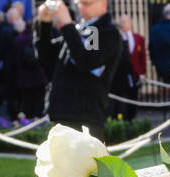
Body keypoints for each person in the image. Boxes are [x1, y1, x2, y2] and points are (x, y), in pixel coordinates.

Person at [44, 0, 122, 138]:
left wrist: (67, 24)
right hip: (61, 114)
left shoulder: (104, 31)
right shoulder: (81, 28)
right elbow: (46, 58)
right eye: (80, 3)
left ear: (104, 3)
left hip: (84, 118)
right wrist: (43, 23)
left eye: (88, 3)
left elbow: (86, 61)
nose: (82, 8)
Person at [14, 9, 49, 118]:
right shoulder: (38, 39)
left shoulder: (18, 40)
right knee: (39, 104)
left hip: (24, 78)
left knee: (27, 104)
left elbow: (16, 60)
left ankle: (27, 123)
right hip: (39, 76)